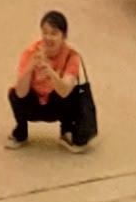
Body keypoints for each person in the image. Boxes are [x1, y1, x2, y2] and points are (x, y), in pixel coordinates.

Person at [5, 11, 94, 148]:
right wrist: (31, 66)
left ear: (63, 36)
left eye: (54, 33)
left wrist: (50, 72)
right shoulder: (30, 52)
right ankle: (21, 132)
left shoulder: (72, 56)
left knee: (73, 94)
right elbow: (20, 93)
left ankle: (66, 130)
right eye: (45, 33)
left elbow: (64, 91)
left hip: (57, 104)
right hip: (34, 104)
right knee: (13, 94)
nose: (48, 38)